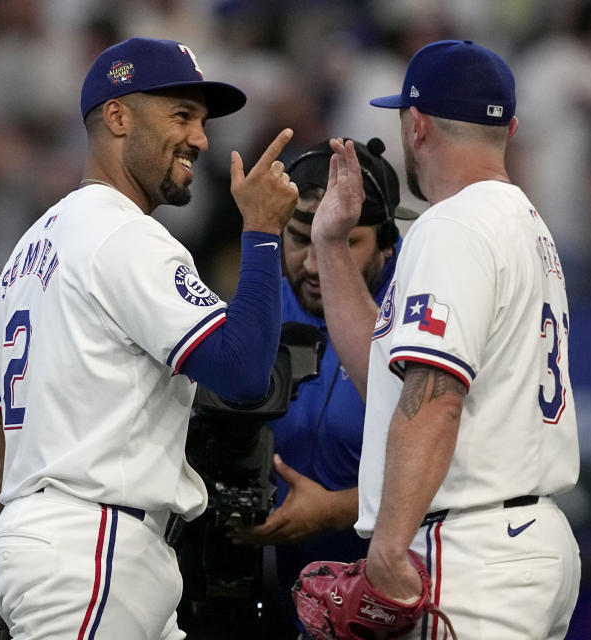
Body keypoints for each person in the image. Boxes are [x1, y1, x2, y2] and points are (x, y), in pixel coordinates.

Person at [0, 37, 298, 640]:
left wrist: (28, 531)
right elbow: (245, 371)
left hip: (80, 547)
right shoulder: (123, 236)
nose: (200, 137)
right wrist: (263, 232)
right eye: (181, 115)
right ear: (117, 117)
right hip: (91, 547)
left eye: (201, 120)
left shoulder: (33, 245)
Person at [308, 40, 581, 639]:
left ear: (417, 123)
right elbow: (384, 373)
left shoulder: (453, 226)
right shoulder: (524, 224)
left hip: (472, 550)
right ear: (507, 128)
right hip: (518, 543)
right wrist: (331, 247)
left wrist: (387, 547)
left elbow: (435, 397)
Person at [229, 138, 405, 639]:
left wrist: (335, 511)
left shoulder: (417, 316)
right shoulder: (254, 307)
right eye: (300, 237)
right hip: (281, 601)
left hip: (398, 598)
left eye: (344, 242)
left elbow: (454, 472)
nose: (312, 264)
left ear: (387, 243)